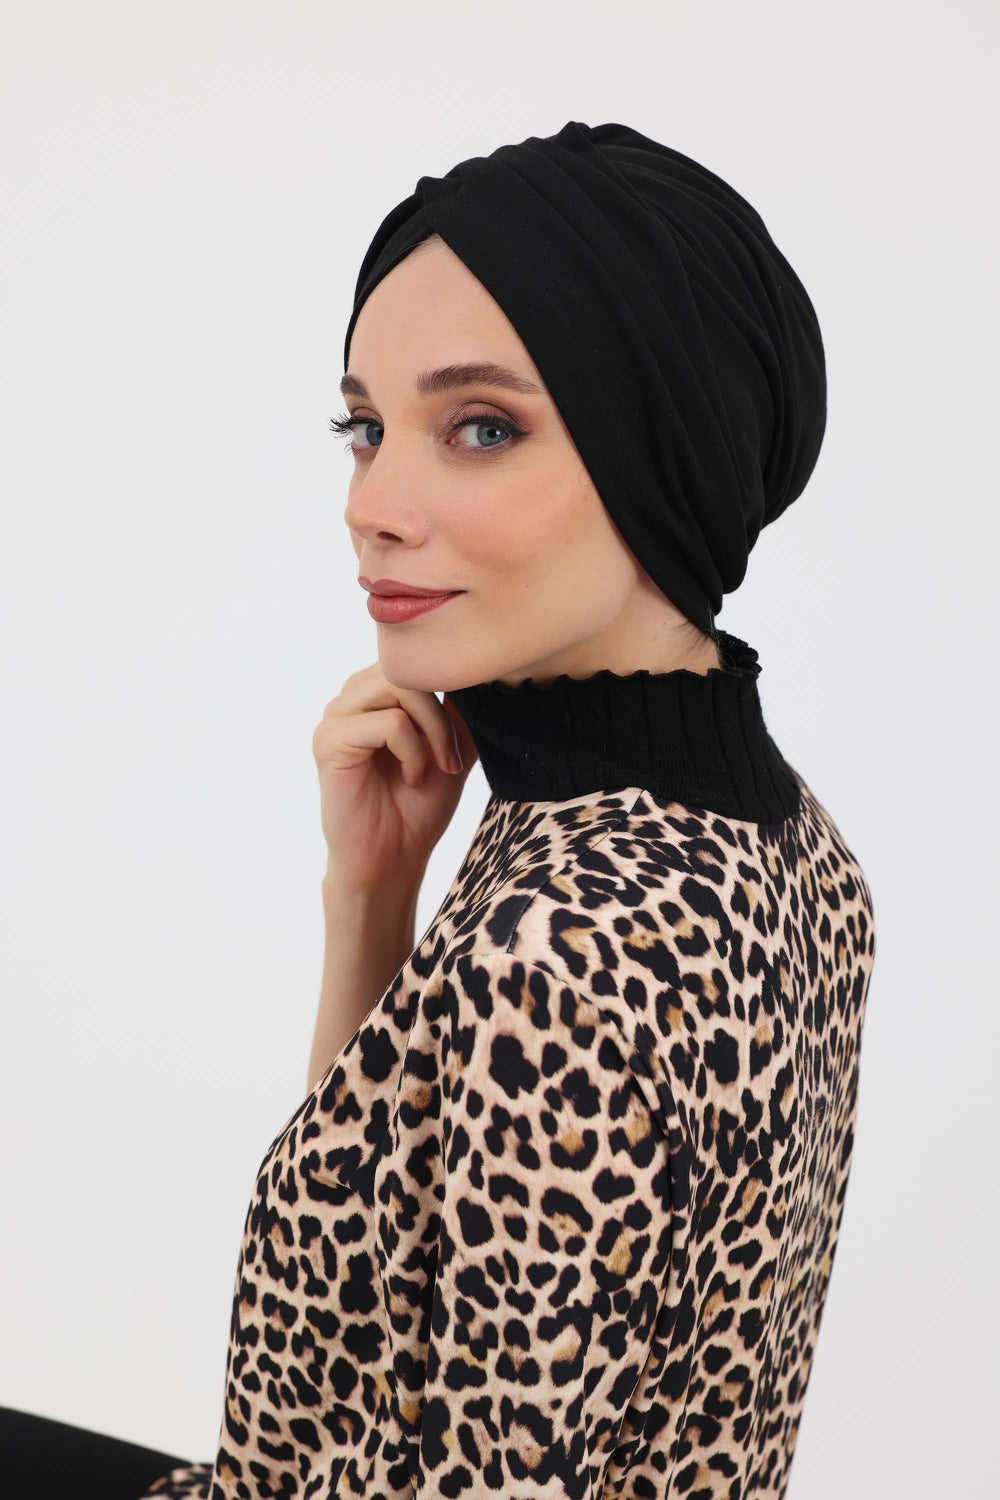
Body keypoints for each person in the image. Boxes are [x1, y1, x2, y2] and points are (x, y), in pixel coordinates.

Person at [5, 121, 876, 1499]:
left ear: (671, 454)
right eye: (365, 429)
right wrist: (372, 897)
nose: (373, 505)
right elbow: (373, 1316)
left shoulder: (567, 945)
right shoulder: (791, 842)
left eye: (481, 428)